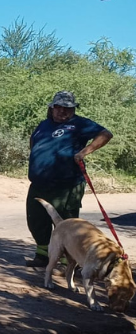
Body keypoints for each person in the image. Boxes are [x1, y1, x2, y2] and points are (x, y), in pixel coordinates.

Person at [24, 91, 112, 267]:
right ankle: (43, 255)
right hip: (39, 183)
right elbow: (34, 143)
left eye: (67, 108)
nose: (62, 111)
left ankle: (69, 259)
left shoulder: (79, 124)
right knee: (36, 219)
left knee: (67, 224)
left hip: (67, 184)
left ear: (73, 109)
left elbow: (105, 134)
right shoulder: (43, 125)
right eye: (59, 107)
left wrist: (84, 151)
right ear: (52, 107)